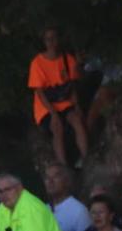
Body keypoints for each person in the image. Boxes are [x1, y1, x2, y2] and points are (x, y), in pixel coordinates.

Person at [28, 26, 89, 168]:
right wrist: (53, 113)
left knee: (77, 120)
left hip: (65, 102)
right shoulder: (37, 63)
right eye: (48, 39)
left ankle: (86, 158)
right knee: (57, 127)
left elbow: (72, 85)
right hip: (46, 107)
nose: (52, 42)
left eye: (54, 38)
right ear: (44, 42)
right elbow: (39, 92)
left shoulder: (67, 59)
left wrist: (77, 106)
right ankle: (63, 166)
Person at [43, 163, 91, 231]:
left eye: (56, 176)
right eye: (47, 178)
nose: (50, 181)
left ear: (67, 181)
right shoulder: (43, 209)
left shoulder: (79, 211)